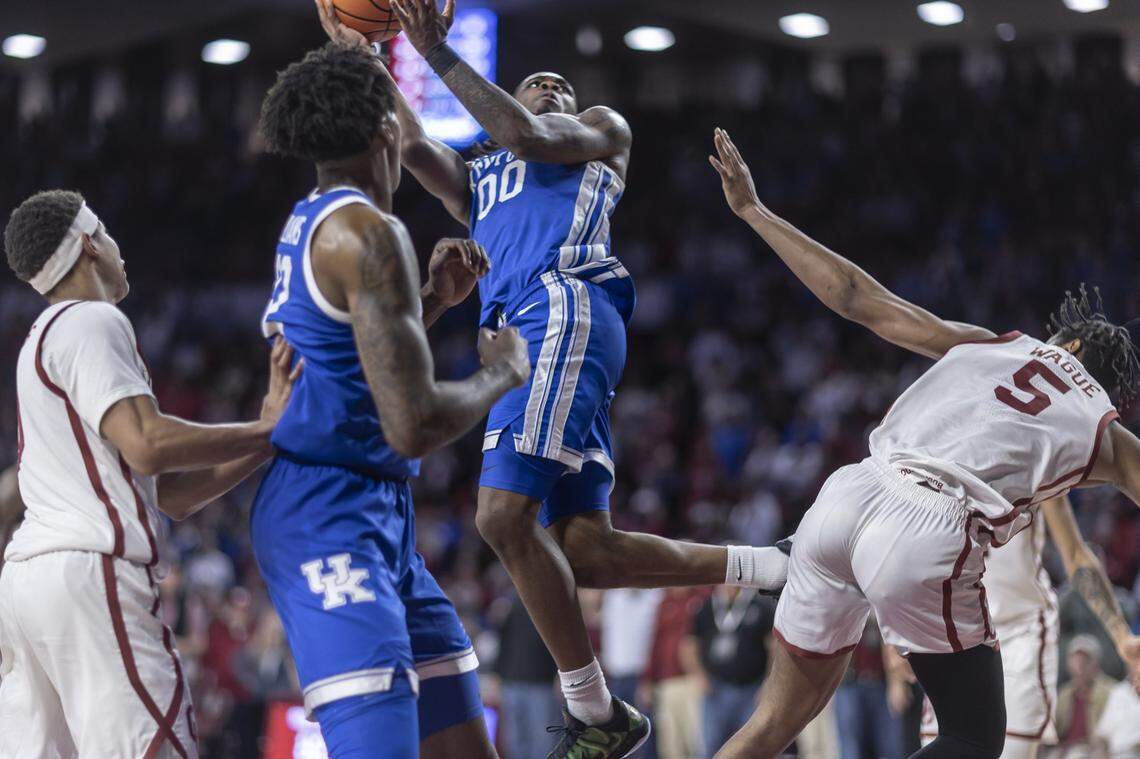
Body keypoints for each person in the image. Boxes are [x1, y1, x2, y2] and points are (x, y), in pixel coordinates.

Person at [315, 3, 789, 754]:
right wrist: (362, 57)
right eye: (535, 81)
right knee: (584, 551)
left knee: (501, 517)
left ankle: (595, 714)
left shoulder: (598, 134)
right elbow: (404, 139)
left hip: (562, 306)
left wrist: (436, 54)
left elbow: (523, 132)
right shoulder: (481, 176)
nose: (548, 85)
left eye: (559, 83)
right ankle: (772, 564)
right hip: (521, 336)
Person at [707, 127, 1140, 759]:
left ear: (1066, 342)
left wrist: (755, 212)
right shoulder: (1105, 429)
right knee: (971, 738)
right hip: (927, 533)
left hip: (845, 497)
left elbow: (858, 298)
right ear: (1113, 390)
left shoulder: (996, 342)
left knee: (772, 724)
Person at [253, 40, 531, 759]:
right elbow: (412, 425)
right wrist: (502, 372)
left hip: (375, 511)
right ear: (387, 131)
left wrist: (436, 300)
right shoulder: (370, 234)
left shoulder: (316, 218)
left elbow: (354, 374)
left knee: (467, 747)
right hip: (329, 518)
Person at [0, 189, 300, 757]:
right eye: (108, 235)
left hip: (32, 583)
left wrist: (266, 438)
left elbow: (172, 495)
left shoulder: (39, 338)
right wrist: (265, 430)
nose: (119, 249)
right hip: (91, 575)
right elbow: (148, 444)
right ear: (90, 244)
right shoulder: (91, 320)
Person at [914, 495, 1139, 758]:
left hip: (1020, 631)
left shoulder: (1035, 459)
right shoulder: (927, 462)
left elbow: (1076, 553)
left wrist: (1123, 637)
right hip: (955, 636)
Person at [688, 586, 776, 758]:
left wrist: (769, 681)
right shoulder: (706, 607)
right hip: (716, 690)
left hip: (751, 689)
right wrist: (699, 675)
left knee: (753, 746)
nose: (728, 584)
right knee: (710, 745)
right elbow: (689, 645)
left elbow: (774, 646)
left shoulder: (759, 605)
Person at [1056, 634, 1117, 750]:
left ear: (1096, 663)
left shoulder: (1111, 691)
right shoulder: (1065, 694)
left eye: (1086, 660)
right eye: (1076, 660)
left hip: (1094, 750)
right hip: (1063, 750)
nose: (1080, 666)